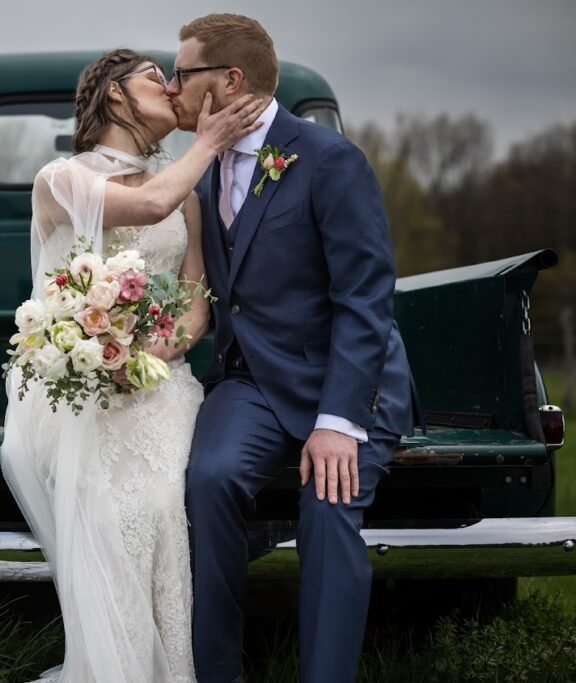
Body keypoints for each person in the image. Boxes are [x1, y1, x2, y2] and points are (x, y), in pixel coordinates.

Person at [0, 49, 264, 683]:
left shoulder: (187, 195)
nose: (171, 85)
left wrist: (150, 355)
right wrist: (207, 142)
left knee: (163, 505)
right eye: (156, 76)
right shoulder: (61, 179)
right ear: (116, 95)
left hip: (157, 387)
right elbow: (149, 206)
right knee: (108, 509)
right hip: (77, 391)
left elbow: (194, 305)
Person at [166, 13, 416, 683]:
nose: (171, 86)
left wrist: (338, 422)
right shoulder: (200, 170)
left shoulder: (330, 158)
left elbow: (364, 299)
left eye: (182, 73)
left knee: (327, 507)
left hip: (344, 379)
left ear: (229, 80)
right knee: (209, 478)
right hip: (251, 382)